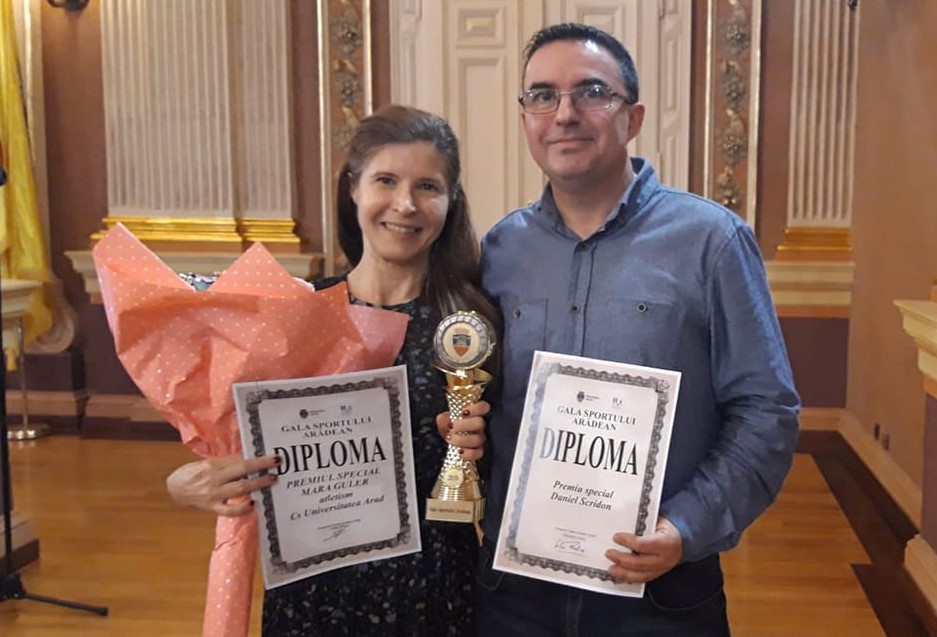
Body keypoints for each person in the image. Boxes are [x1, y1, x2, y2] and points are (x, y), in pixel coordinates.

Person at [445, 23, 800, 636]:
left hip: (661, 595)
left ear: (632, 118)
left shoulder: (711, 242)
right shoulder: (502, 250)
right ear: (526, 118)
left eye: (591, 92)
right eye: (542, 96)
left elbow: (767, 410)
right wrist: (464, 428)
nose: (565, 114)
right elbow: (485, 393)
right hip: (515, 590)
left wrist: (685, 527)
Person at [166, 104, 497, 636]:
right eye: (386, 180)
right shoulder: (296, 315)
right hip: (312, 593)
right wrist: (185, 485)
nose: (405, 204)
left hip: (431, 592)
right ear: (354, 189)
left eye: (428, 187)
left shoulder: (471, 323)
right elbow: (240, 452)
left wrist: (476, 451)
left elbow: (503, 477)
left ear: (451, 200)